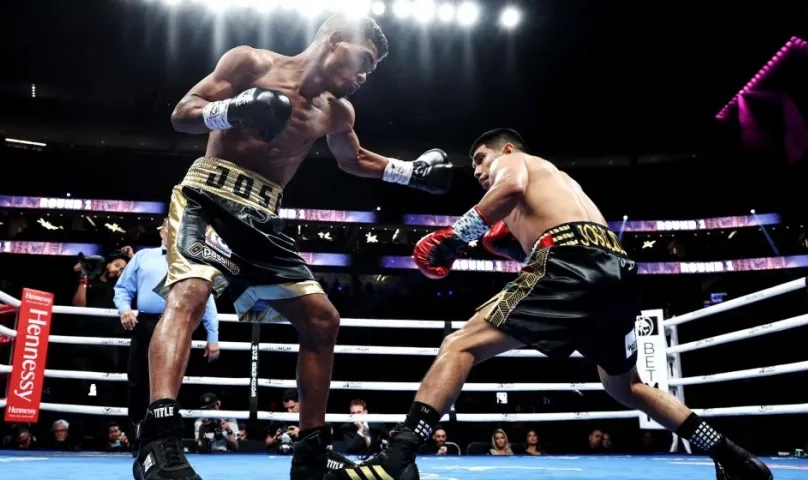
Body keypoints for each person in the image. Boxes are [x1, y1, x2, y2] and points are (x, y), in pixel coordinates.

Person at [326, 129, 773, 480]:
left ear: (505, 149)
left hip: (568, 260)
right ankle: (732, 455)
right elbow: (540, 240)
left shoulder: (515, 162)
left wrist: (455, 238)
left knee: (459, 344)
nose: (478, 170)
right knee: (625, 387)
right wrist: (503, 243)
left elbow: (513, 191)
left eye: (480, 158)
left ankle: (397, 457)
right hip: (615, 270)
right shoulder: (558, 186)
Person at [133, 12, 452, 480]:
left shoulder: (338, 111)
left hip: (264, 216)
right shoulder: (250, 62)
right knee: (190, 294)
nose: (364, 77)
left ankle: (310, 454)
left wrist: (410, 172)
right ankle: (158, 441)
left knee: (322, 320)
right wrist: (234, 110)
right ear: (334, 39)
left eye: (371, 71)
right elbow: (183, 113)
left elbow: (353, 159)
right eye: (363, 61)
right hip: (209, 197)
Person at [113, 220, 219, 446]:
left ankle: (166, 438)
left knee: (173, 383)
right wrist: (124, 310)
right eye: (170, 227)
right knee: (137, 382)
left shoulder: (193, 260)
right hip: (146, 322)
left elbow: (206, 300)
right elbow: (122, 289)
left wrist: (213, 337)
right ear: (162, 231)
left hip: (179, 324)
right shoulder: (143, 257)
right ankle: (139, 438)